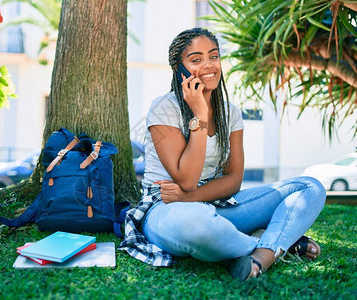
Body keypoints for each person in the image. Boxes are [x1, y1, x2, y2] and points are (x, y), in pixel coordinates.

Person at [119, 27, 326, 281]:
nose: (208, 65)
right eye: (195, 60)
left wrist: (189, 196)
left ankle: (263, 254)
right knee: (196, 223)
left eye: (213, 56)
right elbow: (186, 179)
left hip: (216, 204)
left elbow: (232, 180)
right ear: (179, 69)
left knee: (310, 187)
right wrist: (201, 115)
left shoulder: (231, 112)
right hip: (167, 209)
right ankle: (271, 241)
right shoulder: (164, 108)